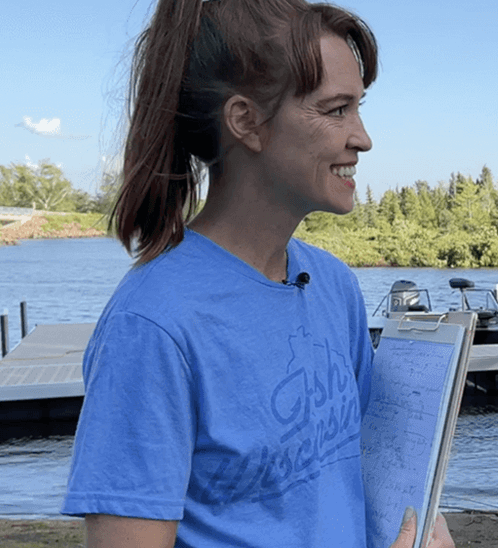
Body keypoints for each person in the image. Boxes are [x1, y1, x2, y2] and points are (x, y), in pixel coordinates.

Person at [59, 1, 452, 547]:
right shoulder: (152, 325)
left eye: (359, 108)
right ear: (246, 122)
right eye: (336, 110)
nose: (362, 138)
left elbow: (374, 476)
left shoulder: (334, 285)